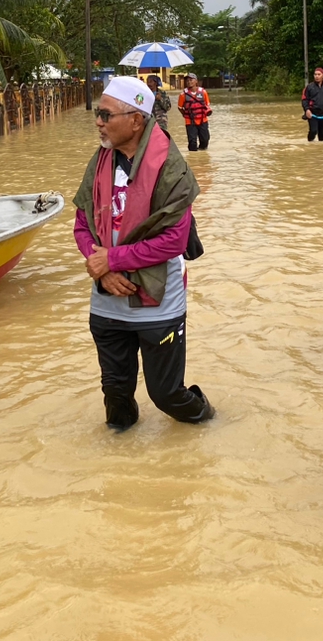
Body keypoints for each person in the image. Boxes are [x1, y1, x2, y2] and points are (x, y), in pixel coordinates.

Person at [74, 76, 215, 429]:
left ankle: (209, 417)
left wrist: (113, 259)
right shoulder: (100, 161)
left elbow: (173, 241)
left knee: (165, 395)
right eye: (98, 113)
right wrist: (103, 269)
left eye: (106, 115)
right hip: (107, 297)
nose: (98, 122)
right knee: (116, 400)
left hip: (158, 300)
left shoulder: (172, 169)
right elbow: (81, 224)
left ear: (136, 120)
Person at [177, 73, 212, 152]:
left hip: (203, 120)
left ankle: (202, 157)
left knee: (205, 140)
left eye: (191, 80)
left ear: (196, 81)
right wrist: (185, 115)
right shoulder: (183, 95)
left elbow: (207, 105)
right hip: (190, 121)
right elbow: (180, 107)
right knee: (192, 143)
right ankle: (193, 158)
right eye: (187, 80)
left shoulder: (203, 92)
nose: (189, 82)